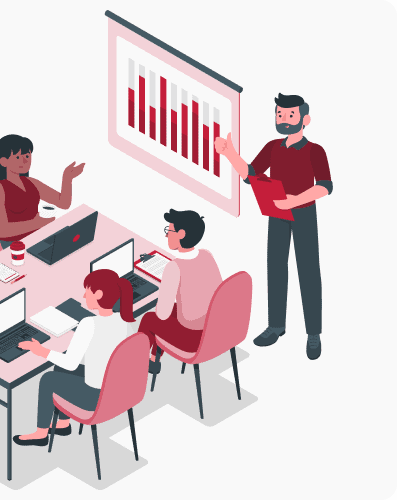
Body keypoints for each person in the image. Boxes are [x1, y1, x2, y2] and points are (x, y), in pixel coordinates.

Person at [214, 93, 332, 360]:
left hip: (303, 214)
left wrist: (296, 199)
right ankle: (276, 325)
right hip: (276, 214)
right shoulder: (272, 147)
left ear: (305, 119)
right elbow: (251, 175)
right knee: (275, 267)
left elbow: (325, 186)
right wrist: (229, 153)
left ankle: (313, 333)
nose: (284, 120)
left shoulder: (315, 150)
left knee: (308, 271)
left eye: (290, 115)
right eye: (280, 115)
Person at [12, 269, 135, 447]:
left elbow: (70, 364)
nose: (84, 295)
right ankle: (63, 424)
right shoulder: (125, 322)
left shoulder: (90, 324)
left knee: (48, 379)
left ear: (99, 294)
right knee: (60, 365)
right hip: (119, 392)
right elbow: (103, 354)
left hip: (96, 397)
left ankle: (40, 434)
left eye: (88, 290)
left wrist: (40, 350)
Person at [138, 209, 222, 375]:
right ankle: (155, 358)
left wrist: (167, 291)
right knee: (175, 308)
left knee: (149, 319)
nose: (166, 235)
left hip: (195, 339)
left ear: (181, 234)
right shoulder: (207, 255)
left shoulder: (174, 267)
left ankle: (139, 362)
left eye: (169, 231)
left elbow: (161, 315)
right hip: (215, 328)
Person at [0, 134, 85, 249]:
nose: (24, 161)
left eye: (27, 156)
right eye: (18, 157)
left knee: (74, 243)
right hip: (15, 245)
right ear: (3, 161)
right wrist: (38, 223)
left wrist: (67, 178)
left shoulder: (32, 183)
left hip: (38, 236)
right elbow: (3, 231)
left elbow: (63, 203)